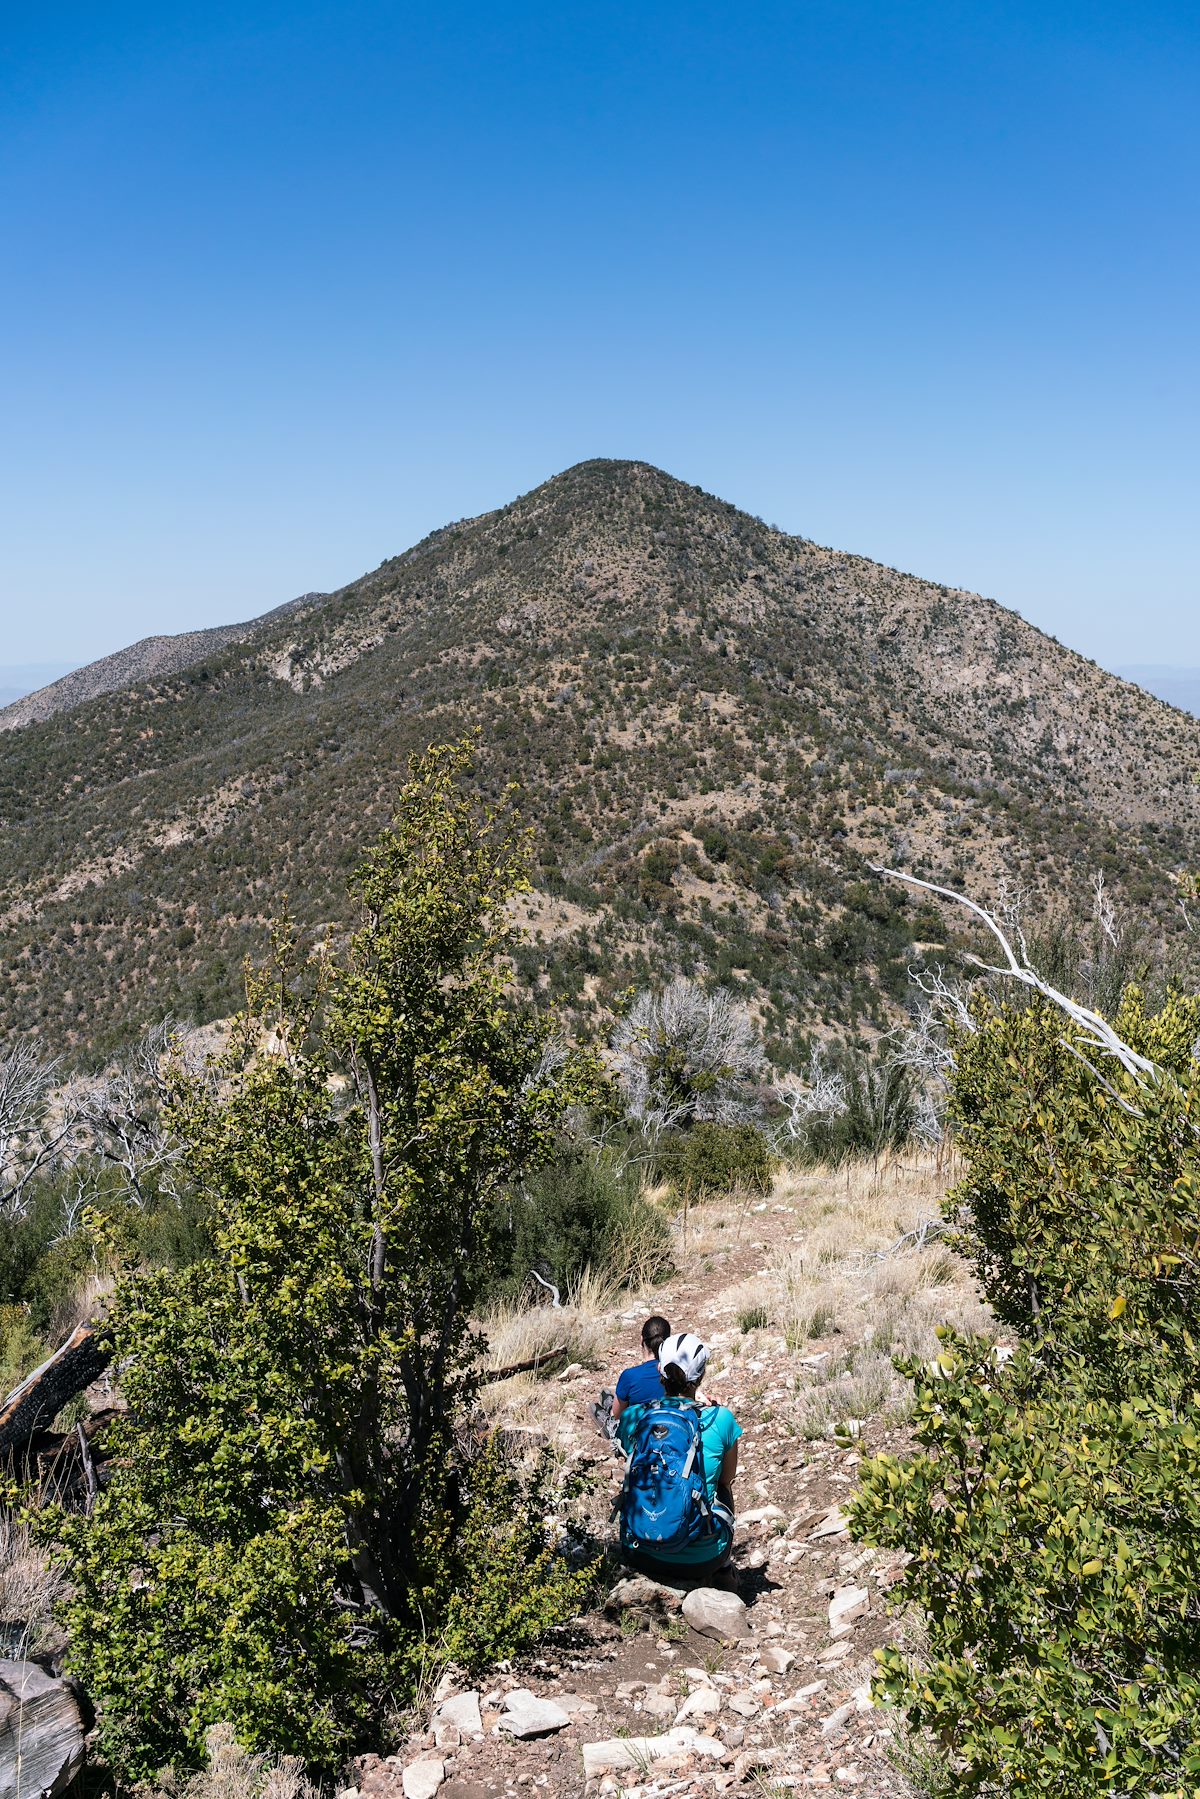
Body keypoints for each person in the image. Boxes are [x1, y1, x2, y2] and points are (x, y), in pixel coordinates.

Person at [616, 1330, 741, 1579]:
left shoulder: (634, 1417)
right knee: (723, 1488)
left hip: (639, 1551)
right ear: (701, 1375)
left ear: (660, 1371)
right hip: (703, 1559)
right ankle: (724, 1566)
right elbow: (726, 1479)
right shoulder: (721, 1419)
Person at [613, 1314, 670, 1419]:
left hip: (637, 1431)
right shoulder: (675, 1374)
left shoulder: (629, 1376)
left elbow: (618, 1415)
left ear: (641, 1340)